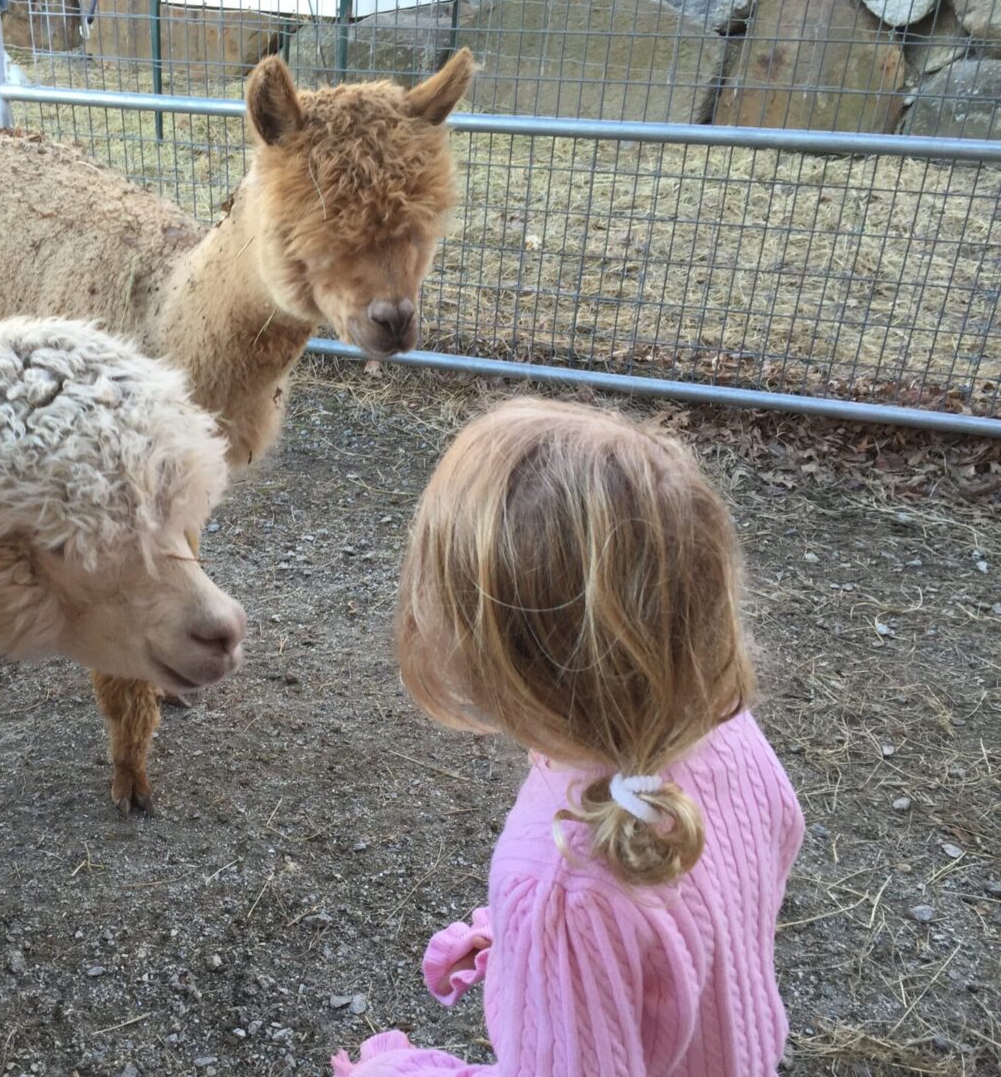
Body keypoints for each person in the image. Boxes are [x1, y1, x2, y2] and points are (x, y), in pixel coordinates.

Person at [333, 399, 804, 1076]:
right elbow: (714, 896)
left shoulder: (559, 885)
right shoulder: (723, 730)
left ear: (494, 651)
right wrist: (544, 948)